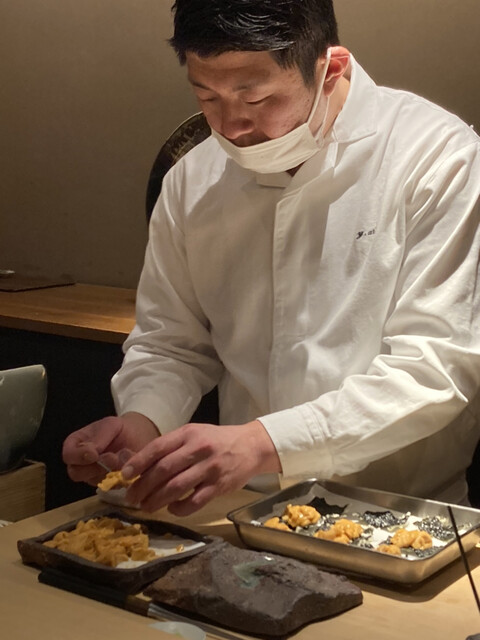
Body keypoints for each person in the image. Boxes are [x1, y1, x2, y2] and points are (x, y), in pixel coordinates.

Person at [63, 0, 480, 516]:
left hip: (401, 513)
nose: (231, 126)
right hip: (243, 507)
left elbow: (434, 368)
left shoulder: (435, 158)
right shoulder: (192, 180)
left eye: (255, 98)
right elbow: (171, 343)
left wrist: (263, 444)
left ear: (331, 69)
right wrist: (142, 421)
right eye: (206, 96)